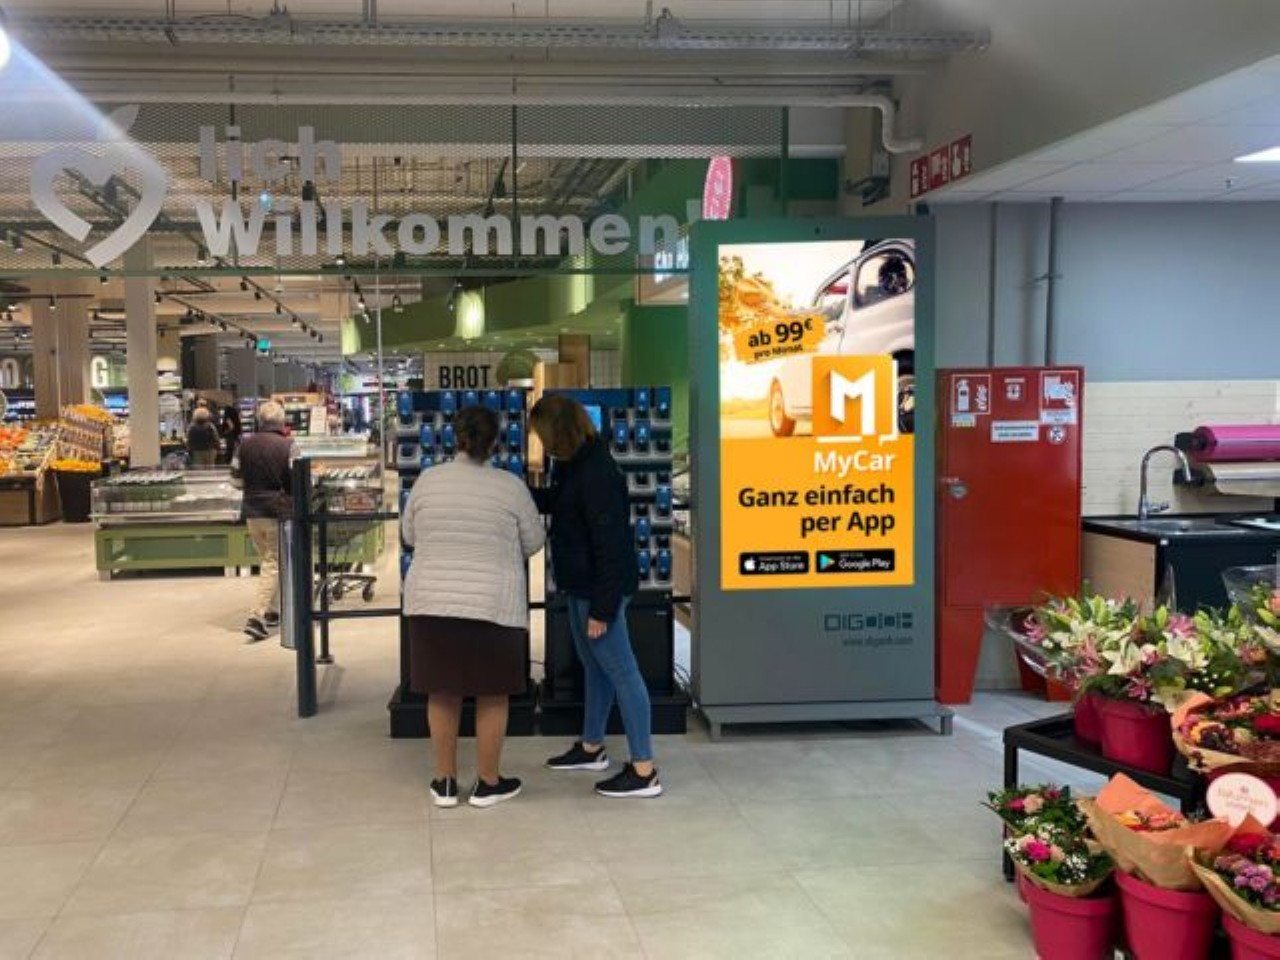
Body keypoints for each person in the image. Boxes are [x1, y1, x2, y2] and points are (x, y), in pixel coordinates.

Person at [401, 406, 545, 809]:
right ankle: (488, 782)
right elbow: (534, 541)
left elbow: (409, 534)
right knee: (492, 693)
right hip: (492, 605)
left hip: (431, 603)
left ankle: (445, 782)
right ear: (495, 441)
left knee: (442, 692)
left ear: (455, 437)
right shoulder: (510, 486)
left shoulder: (428, 481)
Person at [529, 395, 661, 799]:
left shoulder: (597, 473)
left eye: (542, 436)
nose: (541, 443)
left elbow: (612, 546)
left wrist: (603, 608)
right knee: (596, 668)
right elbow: (560, 506)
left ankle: (644, 770)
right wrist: (518, 491)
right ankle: (591, 747)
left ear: (558, 433)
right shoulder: (574, 464)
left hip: (599, 589)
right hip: (579, 584)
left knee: (623, 672)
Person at [231, 401, 297, 642]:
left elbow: (235, 481)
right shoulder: (289, 446)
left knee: (268, 562)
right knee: (273, 562)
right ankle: (256, 618)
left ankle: (273, 610)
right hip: (276, 511)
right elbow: (296, 480)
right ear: (282, 421)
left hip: (251, 511)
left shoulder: (243, 446)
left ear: (260, 420)